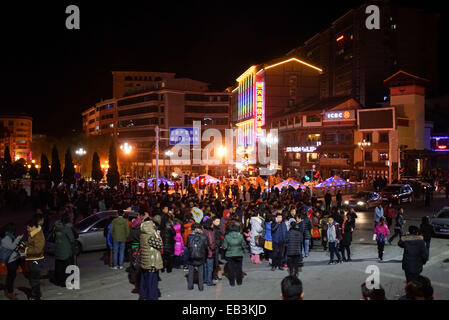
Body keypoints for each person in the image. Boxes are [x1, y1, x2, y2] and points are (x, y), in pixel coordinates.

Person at [139, 219, 163, 300]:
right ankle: (152, 297)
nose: (154, 228)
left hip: (145, 262)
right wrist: (157, 235)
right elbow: (160, 244)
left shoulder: (143, 235)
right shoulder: (150, 237)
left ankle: (144, 294)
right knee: (152, 282)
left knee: (146, 280)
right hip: (151, 263)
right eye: (153, 227)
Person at [1, 223, 24, 300]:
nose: (14, 231)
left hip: (14, 258)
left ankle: (9, 289)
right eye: (14, 229)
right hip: (10, 261)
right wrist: (18, 238)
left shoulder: (9, 235)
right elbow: (12, 247)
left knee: (12, 276)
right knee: (11, 276)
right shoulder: (5, 238)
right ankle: (10, 292)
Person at [25, 217, 46, 300]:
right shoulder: (33, 233)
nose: (27, 229)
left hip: (36, 260)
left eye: (28, 227)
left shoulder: (38, 235)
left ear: (33, 226)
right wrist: (24, 244)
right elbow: (31, 243)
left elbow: (37, 249)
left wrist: (26, 251)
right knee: (33, 278)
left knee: (34, 279)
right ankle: (37, 295)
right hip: (32, 259)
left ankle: (36, 297)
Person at [222, 222, 247, 286]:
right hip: (239, 253)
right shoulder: (240, 236)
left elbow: (225, 246)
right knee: (239, 268)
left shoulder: (227, 236)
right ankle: (239, 282)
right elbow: (244, 245)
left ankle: (232, 282)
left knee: (231, 269)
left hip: (230, 254)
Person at [54, 214, 75, 287]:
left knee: (59, 267)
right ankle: (64, 283)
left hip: (57, 250)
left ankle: (58, 281)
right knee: (66, 268)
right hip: (65, 251)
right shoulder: (66, 228)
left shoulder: (56, 227)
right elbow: (72, 239)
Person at [187, 223, 208, 291]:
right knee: (201, 272)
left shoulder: (189, 236)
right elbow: (206, 246)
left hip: (191, 256)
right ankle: (201, 287)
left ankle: (190, 286)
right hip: (201, 256)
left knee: (190, 272)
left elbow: (188, 246)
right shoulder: (203, 237)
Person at [202, 219, 217, 286]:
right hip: (209, 251)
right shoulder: (209, 232)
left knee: (205, 266)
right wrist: (214, 248)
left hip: (204, 251)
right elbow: (211, 243)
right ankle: (209, 281)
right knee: (210, 267)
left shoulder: (203, 230)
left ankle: (205, 279)